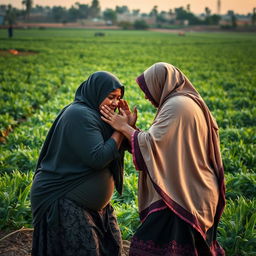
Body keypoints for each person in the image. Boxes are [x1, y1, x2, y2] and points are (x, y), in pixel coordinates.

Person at [100, 62, 226, 255]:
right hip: (187, 188)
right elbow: (162, 148)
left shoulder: (177, 106)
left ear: (161, 83)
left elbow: (153, 145)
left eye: (147, 89)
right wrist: (130, 128)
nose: (146, 95)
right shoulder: (184, 101)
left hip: (182, 194)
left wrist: (123, 127)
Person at [30, 71, 135, 256]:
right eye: (111, 97)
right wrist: (120, 130)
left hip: (92, 206)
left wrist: (128, 126)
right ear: (96, 92)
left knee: (111, 248)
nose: (115, 103)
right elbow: (98, 158)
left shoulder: (104, 117)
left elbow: (131, 147)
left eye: (119, 98)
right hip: (63, 197)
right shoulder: (79, 115)